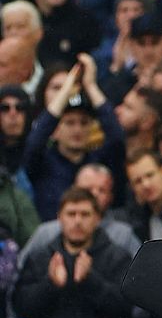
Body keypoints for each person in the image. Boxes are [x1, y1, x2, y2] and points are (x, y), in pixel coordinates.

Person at [12, 187, 133, 318]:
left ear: (97, 219)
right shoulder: (40, 258)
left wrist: (90, 280)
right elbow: (21, 307)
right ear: (59, 218)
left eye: (85, 214)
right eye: (71, 214)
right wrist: (50, 284)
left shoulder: (117, 258)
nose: (77, 221)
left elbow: (125, 308)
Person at [22, 54, 124, 221]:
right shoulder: (42, 162)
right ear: (56, 129)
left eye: (84, 123)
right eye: (69, 123)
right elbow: (35, 141)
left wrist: (90, 86)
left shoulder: (99, 160)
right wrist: (66, 89)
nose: (77, 129)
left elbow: (117, 139)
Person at [19, 163, 141, 264]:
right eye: (88, 189)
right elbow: (20, 272)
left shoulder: (123, 235)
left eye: (102, 190)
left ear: (110, 196)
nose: (94, 194)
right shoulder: (46, 233)